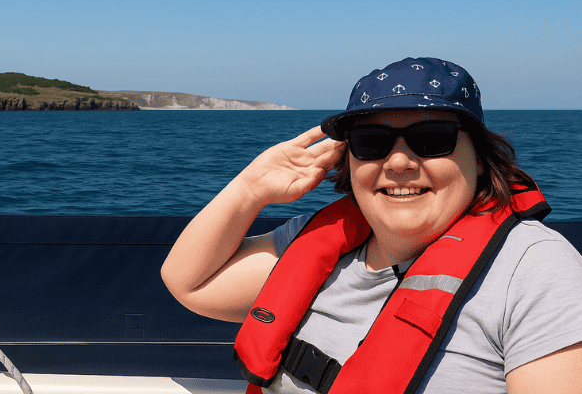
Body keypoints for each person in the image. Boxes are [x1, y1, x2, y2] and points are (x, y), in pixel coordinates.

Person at [161, 58, 582, 394]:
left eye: (433, 138)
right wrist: (250, 188)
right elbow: (190, 284)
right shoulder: (316, 242)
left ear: (480, 156)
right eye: (371, 144)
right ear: (349, 160)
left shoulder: (535, 272)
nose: (398, 163)